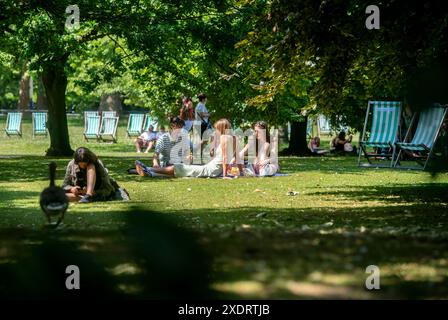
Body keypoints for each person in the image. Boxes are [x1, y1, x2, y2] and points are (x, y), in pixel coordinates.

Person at [136, 118, 236, 178]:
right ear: (173, 126)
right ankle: (151, 171)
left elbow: (225, 158)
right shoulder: (164, 138)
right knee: (182, 167)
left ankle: (148, 170)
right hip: (167, 163)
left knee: (181, 167)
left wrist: (225, 174)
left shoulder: (184, 137)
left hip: (208, 169)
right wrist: (155, 163)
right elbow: (156, 154)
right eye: (179, 127)